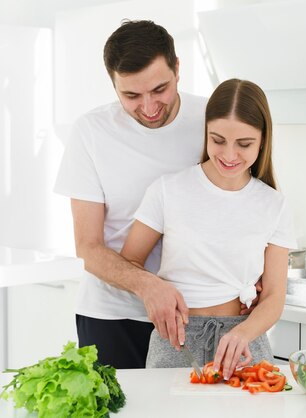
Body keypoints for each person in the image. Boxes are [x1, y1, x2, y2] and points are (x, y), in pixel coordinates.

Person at [54, 19, 217, 369]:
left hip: (199, 315)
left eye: (160, 89)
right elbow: (88, 246)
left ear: (177, 68)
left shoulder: (212, 120)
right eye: (131, 95)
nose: (149, 107)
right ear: (113, 85)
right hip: (112, 317)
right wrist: (147, 285)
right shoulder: (91, 132)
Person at [120, 78, 297, 380]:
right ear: (205, 134)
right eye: (217, 140)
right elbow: (129, 262)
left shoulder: (273, 204)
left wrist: (243, 333)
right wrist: (154, 291)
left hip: (243, 342)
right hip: (175, 341)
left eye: (244, 144)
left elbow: (274, 297)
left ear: (263, 140)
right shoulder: (168, 190)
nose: (229, 155)